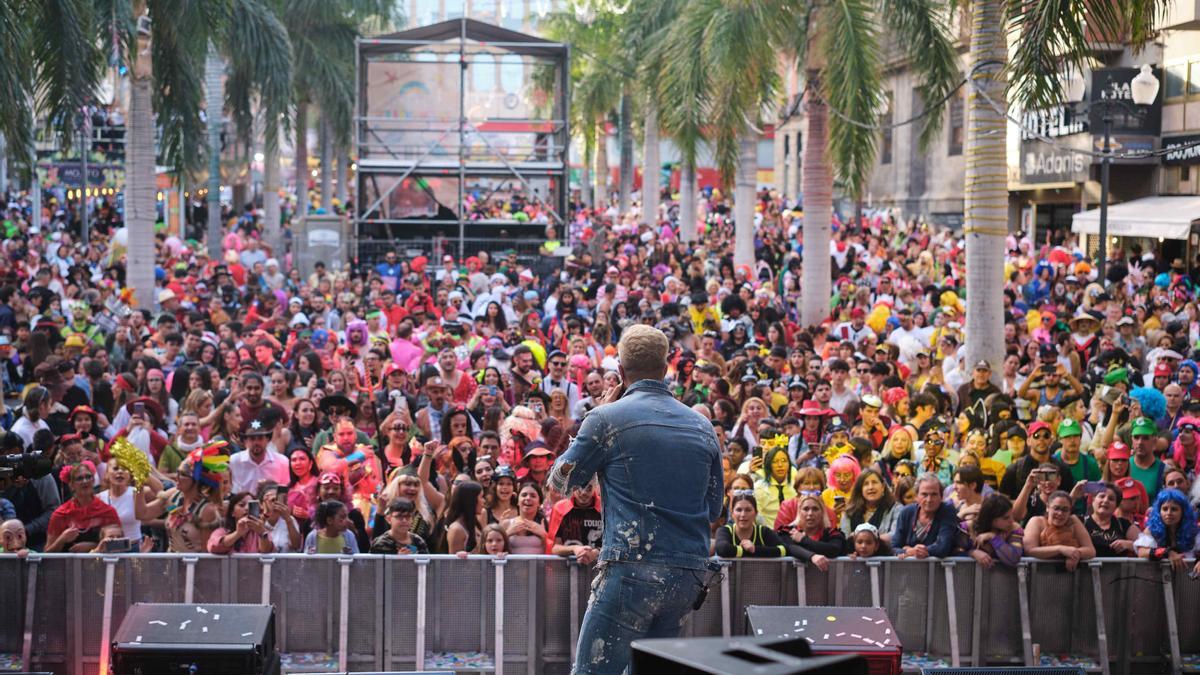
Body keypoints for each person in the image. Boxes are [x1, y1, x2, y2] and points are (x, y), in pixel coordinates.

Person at [547, 325, 723, 675]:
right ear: (667, 368)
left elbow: (560, 483)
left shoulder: (606, 418)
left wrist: (595, 419)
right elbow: (715, 507)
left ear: (622, 374)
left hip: (632, 568)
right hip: (687, 574)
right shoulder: (702, 426)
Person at [45, 461, 120, 552]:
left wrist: (94, 546)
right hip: (67, 565)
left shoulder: (108, 512)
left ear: (93, 481)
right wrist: (62, 539)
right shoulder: (61, 514)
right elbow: (47, 554)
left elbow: (118, 546)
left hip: (100, 565)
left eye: (88, 477)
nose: (85, 481)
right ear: (71, 485)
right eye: (79, 478)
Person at [892, 474, 961, 559]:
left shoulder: (947, 511)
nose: (929, 500)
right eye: (924, 494)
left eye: (934, 494)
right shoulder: (906, 512)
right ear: (917, 496)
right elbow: (893, 548)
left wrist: (917, 551)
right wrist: (908, 551)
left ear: (941, 496)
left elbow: (943, 547)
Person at [1023, 491, 1096, 571]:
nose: (1060, 513)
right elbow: (1029, 550)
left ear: (1070, 511)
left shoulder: (1073, 521)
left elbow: (1091, 551)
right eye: (1056, 508)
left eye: (1065, 510)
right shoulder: (1037, 521)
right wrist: (1060, 549)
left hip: (1070, 575)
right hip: (1040, 574)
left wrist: (1074, 554)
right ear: (1047, 507)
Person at [1134, 489, 1200, 573]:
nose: (1168, 513)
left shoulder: (1193, 530)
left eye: (1174, 509)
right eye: (1165, 509)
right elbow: (1141, 552)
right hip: (1159, 580)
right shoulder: (1151, 529)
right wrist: (1167, 553)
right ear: (1159, 511)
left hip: (1188, 582)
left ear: (1183, 512)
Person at [714, 493, 788, 557]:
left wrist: (755, 549)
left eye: (748, 510)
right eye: (739, 510)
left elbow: (785, 549)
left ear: (756, 513)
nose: (743, 514)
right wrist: (747, 551)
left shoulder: (763, 531)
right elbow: (722, 549)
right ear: (732, 513)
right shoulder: (725, 530)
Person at [1084, 483, 1139, 558]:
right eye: (1102, 496)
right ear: (1093, 500)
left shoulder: (1123, 524)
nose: (1106, 500)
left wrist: (1130, 545)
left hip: (1119, 569)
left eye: (1111, 499)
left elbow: (1147, 546)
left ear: (1116, 506)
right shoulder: (1082, 522)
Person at [968, 494, 1023, 568]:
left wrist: (994, 538)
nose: (1012, 521)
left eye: (1012, 515)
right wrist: (973, 553)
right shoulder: (970, 527)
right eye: (1006, 518)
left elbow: (1014, 558)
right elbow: (954, 551)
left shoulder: (1013, 528)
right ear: (991, 518)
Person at [207, 492, 274, 554]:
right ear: (232, 512)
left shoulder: (261, 532)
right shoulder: (221, 532)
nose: (247, 508)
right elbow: (213, 547)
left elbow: (266, 551)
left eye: (251, 506)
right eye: (242, 505)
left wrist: (261, 533)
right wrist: (237, 534)